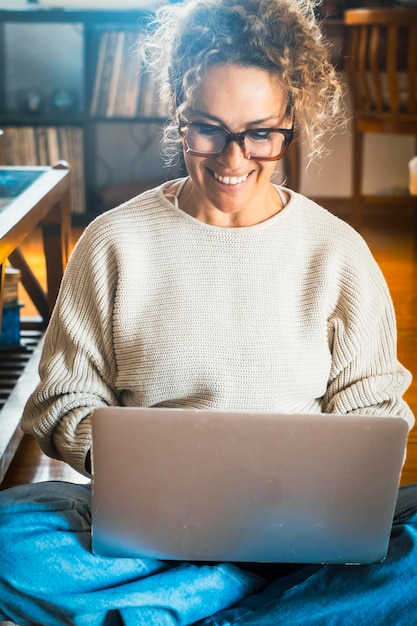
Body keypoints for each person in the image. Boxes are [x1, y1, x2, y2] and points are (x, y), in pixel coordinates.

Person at [0, 0, 416, 624]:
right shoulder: (113, 242)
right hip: (148, 536)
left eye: (261, 133)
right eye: (208, 129)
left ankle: (188, 606)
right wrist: (136, 470)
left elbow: (376, 410)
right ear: (177, 112)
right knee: (9, 542)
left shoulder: (338, 253)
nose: (233, 158)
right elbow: (62, 400)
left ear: (289, 121)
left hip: (299, 534)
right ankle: (262, 605)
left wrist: (339, 484)